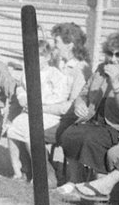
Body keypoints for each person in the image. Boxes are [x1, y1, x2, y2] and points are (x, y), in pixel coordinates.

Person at [57, 32, 119, 193]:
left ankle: (101, 188)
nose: (113, 59)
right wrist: (79, 105)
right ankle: (75, 180)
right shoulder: (100, 69)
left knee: (91, 139)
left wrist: (115, 81)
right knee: (69, 134)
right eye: (110, 54)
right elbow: (83, 94)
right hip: (94, 120)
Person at [5, 40, 71, 180]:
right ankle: (19, 170)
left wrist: (39, 103)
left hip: (48, 113)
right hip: (29, 111)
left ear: (47, 57)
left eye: (38, 56)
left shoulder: (56, 75)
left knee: (31, 133)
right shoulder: (28, 73)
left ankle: (40, 174)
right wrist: (23, 98)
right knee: (13, 129)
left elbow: (60, 96)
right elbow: (21, 88)